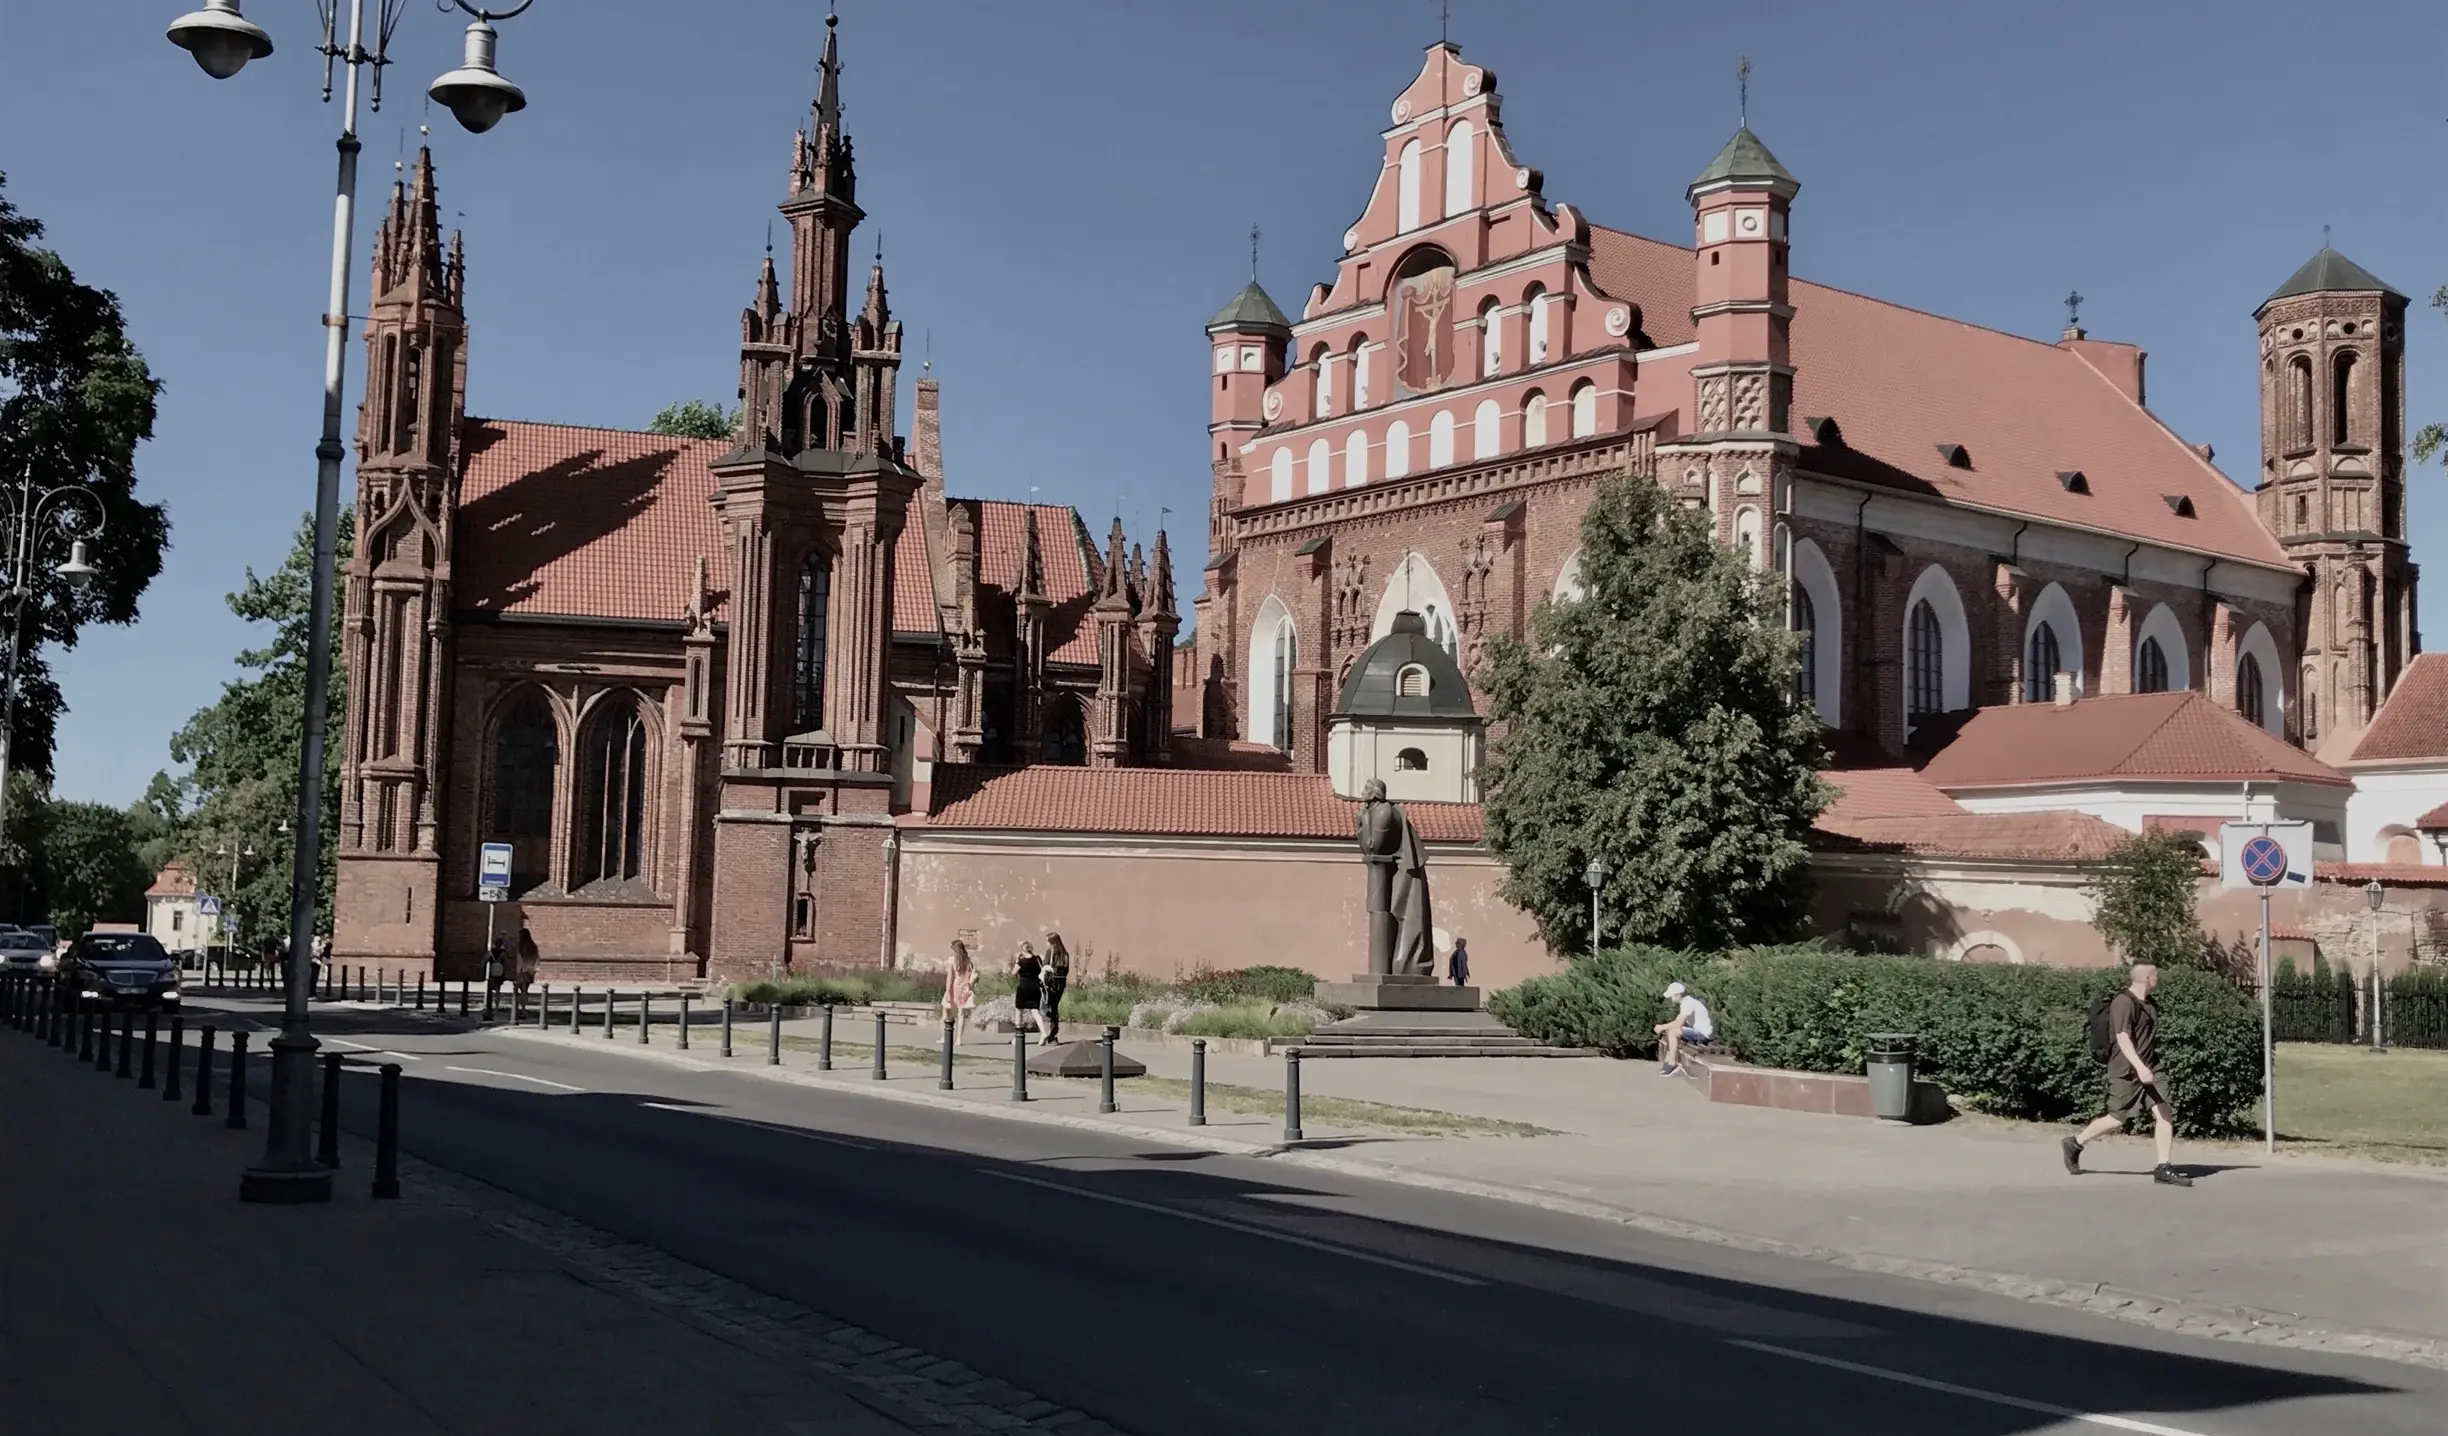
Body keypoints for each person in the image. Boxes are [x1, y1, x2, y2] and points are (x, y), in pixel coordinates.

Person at [2063, 963, 2191, 1187]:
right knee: (2116, 1118)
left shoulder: (2149, 1004)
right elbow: (2123, 1038)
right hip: (2126, 1070)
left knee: (2164, 1112)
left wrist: (2148, 1066)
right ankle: (2075, 1142)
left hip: (2151, 1067)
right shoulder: (2122, 1002)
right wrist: (2139, 1067)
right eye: (2156, 974)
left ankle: (2163, 1167)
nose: (2158, 978)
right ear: (2147, 978)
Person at [1653, 980, 1713, 1075]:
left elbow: (1678, 1024)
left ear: (1678, 995)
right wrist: (1665, 1027)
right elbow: (1678, 1021)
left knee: (1673, 1032)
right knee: (1670, 1031)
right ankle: (1668, 1062)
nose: (1671, 998)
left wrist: (1662, 1027)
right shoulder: (1686, 1003)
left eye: (1672, 996)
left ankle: (1672, 1064)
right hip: (1697, 1031)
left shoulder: (1688, 1003)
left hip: (1703, 1034)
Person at [1041, 932, 1073, 1043]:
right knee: (1054, 1007)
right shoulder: (1065, 954)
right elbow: (1067, 970)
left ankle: (1051, 1029)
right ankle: (1053, 1031)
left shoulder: (1050, 952)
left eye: (1047, 942)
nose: (1046, 944)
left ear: (1052, 942)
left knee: (1044, 1007)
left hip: (1051, 983)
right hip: (1061, 983)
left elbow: (1044, 966)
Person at [941, 940, 978, 1036]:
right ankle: (959, 1039)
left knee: (946, 1011)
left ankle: (945, 1037)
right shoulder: (968, 960)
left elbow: (950, 978)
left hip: (954, 988)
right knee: (961, 1014)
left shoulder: (952, 960)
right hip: (965, 988)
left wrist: (948, 992)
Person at [1011, 942, 1046, 1038]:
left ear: (1022, 950)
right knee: (1035, 1011)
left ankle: (1018, 1036)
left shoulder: (1021, 962)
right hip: (1035, 987)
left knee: (1019, 1011)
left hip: (1023, 988)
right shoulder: (1037, 960)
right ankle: (1044, 1033)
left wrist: (1017, 961)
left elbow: (1013, 973)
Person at [513, 925, 540, 997]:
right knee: (526, 985)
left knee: (521, 985)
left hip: (522, 968)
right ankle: (524, 997)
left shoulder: (520, 944)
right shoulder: (533, 945)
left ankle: (522, 998)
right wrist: (534, 967)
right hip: (530, 968)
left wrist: (519, 969)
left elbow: (519, 956)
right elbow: (536, 956)